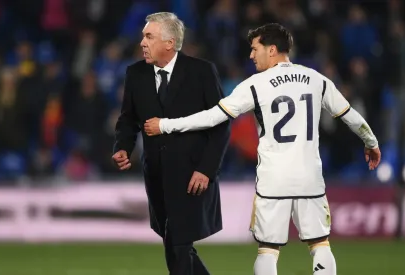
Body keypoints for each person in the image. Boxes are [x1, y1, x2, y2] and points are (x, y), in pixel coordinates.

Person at [145, 23, 381, 275]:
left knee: (268, 250)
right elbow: (351, 116)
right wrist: (372, 143)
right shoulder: (317, 79)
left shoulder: (256, 85)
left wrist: (166, 124)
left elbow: (213, 117)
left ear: (271, 50)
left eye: (254, 48)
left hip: (273, 179)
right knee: (320, 244)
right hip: (309, 177)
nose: (250, 55)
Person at [112, 12, 230, 275]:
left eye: (149, 36)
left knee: (178, 241)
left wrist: (206, 170)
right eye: (144, 35)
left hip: (192, 175)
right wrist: (123, 146)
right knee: (176, 243)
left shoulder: (201, 71)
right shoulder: (135, 73)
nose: (142, 42)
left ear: (169, 42)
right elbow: (128, 119)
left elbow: (221, 126)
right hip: (156, 174)